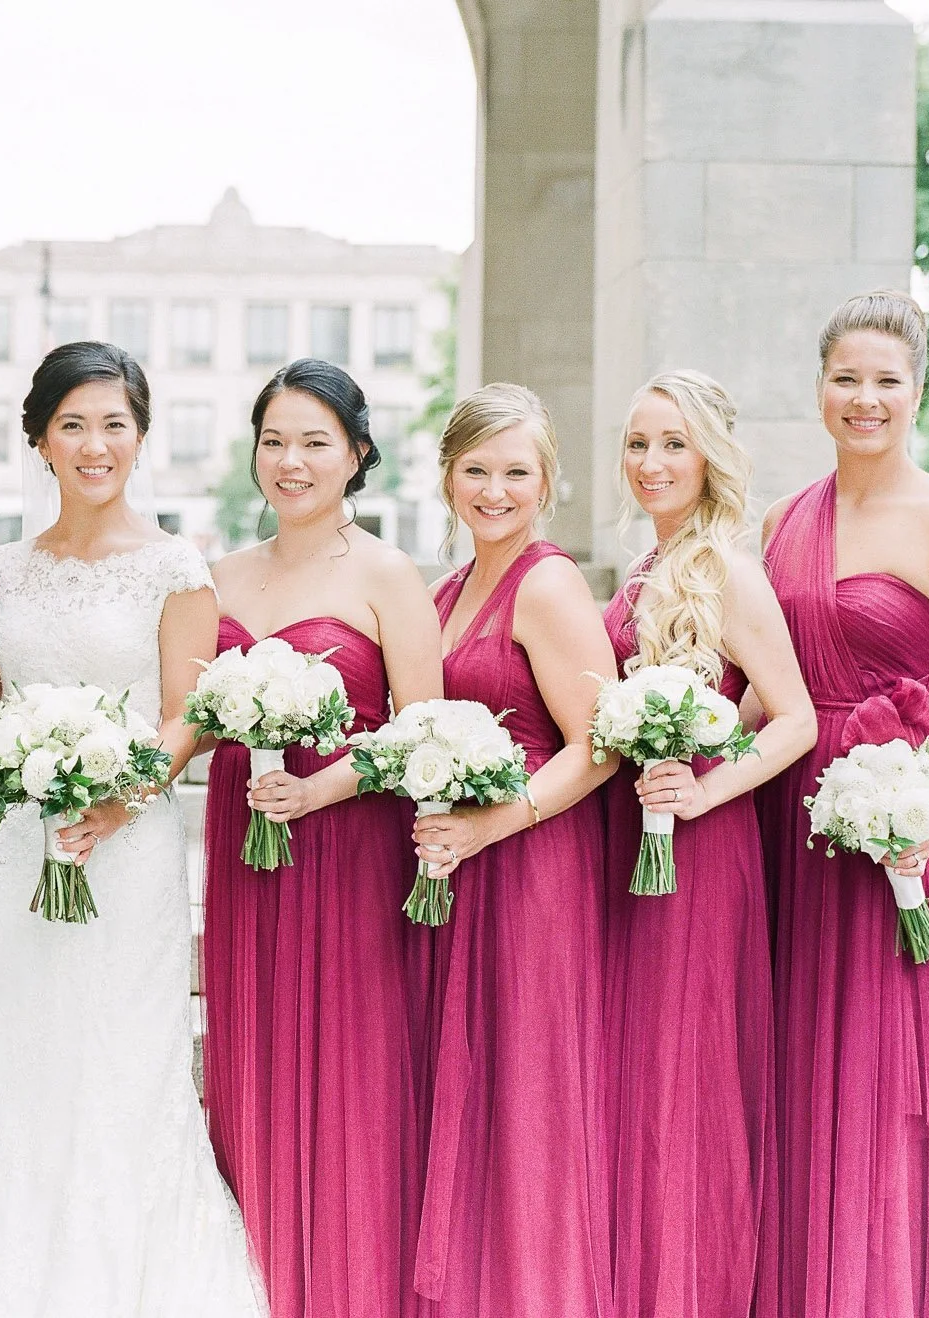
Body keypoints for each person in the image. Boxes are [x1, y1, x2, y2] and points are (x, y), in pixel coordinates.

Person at [0, 341, 263, 1317]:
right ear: (39, 439)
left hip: (127, 849)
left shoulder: (175, 565)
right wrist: (8, 760)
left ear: (141, 435)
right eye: (73, 424)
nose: (95, 444)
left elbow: (190, 710)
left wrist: (121, 795)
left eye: (114, 424)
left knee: (124, 1065)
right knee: (25, 1061)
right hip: (14, 851)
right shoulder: (0, 570)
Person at [758, 291, 929, 1318]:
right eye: (846, 378)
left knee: (876, 1076)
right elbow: (754, 677)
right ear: (820, 388)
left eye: (886, 380)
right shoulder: (781, 520)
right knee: (782, 1062)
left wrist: (928, 800)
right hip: (782, 810)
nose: (865, 399)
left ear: (917, 390)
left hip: (891, 825)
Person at [204, 357, 443, 1316]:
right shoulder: (218, 574)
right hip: (244, 844)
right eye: (274, 441)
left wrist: (326, 787)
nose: (290, 462)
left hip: (345, 851)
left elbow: (425, 726)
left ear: (356, 455)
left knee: (348, 1077)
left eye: (314, 443)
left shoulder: (388, 574)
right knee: (254, 1064)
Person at [600, 371, 814, 1318]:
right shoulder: (643, 566)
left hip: (698, 850)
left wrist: (704, 790)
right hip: (628, 843)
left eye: (673, 444)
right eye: (640, 443)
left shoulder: (726, 567)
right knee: (637, 1075)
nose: (652, 463)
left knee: (685, 1079)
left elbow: (795, 717)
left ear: (710, 458)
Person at [411, 382, 617, 1317]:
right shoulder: (448, 589)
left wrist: (493, 823)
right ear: (448, 475)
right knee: (473, 1094)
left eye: (515, 472)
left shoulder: (549, 581)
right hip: (456, 866)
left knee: (530, 1101)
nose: (494, 490)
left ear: (548, 483)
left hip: (532, 867)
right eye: (476, 470)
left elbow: (601, 744)